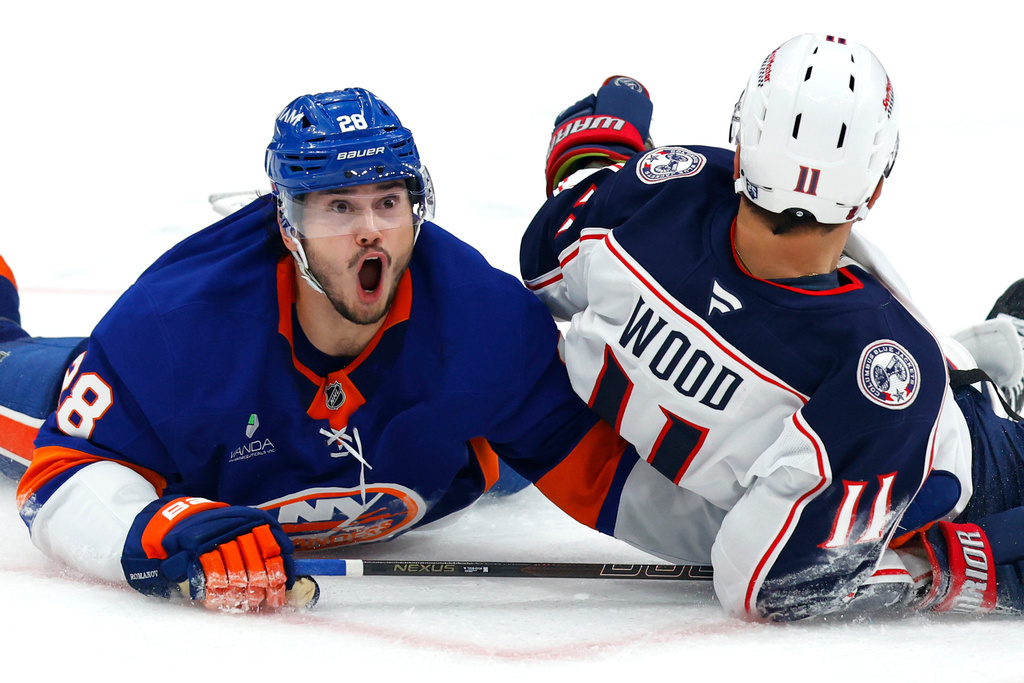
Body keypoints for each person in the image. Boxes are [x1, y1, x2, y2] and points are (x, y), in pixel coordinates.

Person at [0, 88, 630, 611]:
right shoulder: (174, 328)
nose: (370, 229)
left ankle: (596, 166)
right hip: (192, 427)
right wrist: (161, 528)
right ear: (286, 222)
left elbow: (615, 462)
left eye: (389, 202)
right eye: (338, 206)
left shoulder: (483, 324)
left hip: (417, 452)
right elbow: (60, 479)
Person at [520, 35, 1024, 621]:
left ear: (743, 146)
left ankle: (996, 353)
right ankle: (999, 361)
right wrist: (942, 561)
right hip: (964, 460)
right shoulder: (881, 364)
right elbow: (776, 586)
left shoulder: (662, 190)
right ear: (874, 187)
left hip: (669, 486)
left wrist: (600, 159)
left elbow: (545, 262)